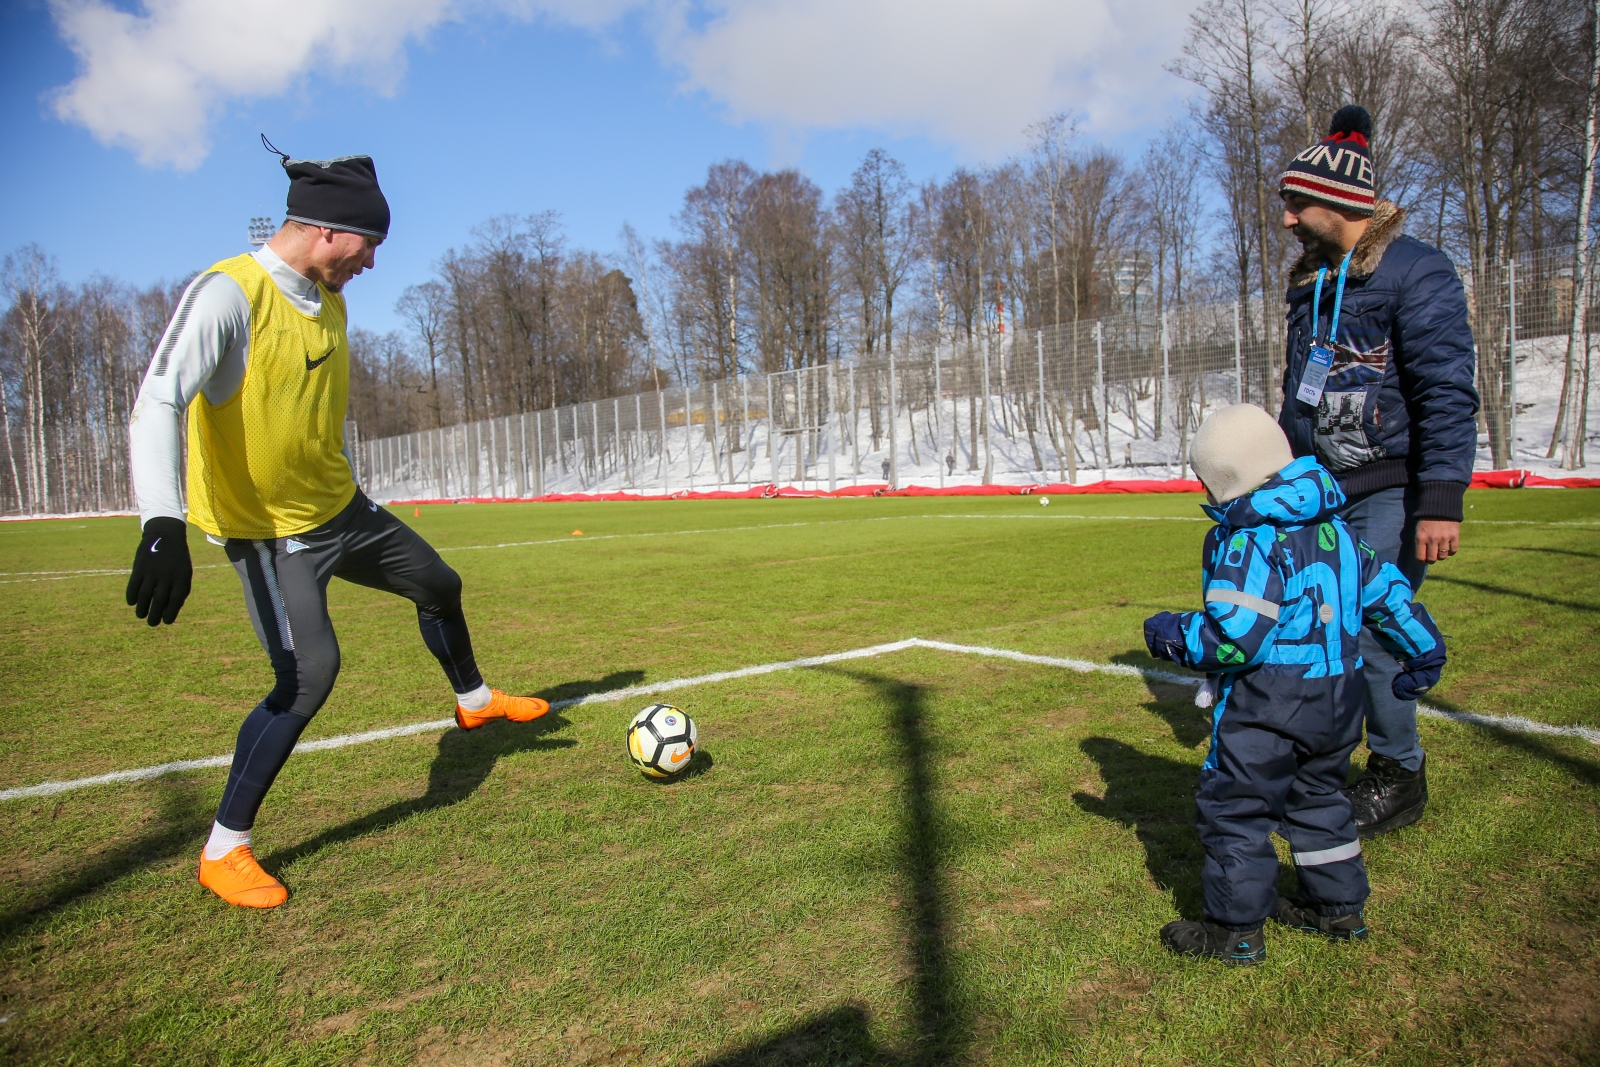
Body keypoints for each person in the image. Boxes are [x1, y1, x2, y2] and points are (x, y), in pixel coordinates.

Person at [124, 144, 549, 909]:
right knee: (308, 674)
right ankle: (224, 848)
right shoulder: (228, 294)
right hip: (270, 536)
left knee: (440, 583)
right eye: (369, 245)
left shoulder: (330, 297)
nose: (372, 263)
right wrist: (163, 523)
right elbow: (158, 400)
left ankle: (475, 699)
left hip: (344, 511)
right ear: (326, 229)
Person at [1143, 404, 1445, 964]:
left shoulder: (1251, 538)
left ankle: (1234, 931)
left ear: (1226, 476)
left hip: (1269, 702)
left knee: (1236, 809)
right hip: (1337, 698)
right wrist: (1424, 649)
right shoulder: (1338, 528)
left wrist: (1173, 634)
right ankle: (1337, 909)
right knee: (1319, 798)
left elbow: (1236, 639)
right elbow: (1388, 594)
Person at [1277, 105, 1478, 837]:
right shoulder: (1311, 283)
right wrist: (1283, 483)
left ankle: (1399, 773)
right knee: (1317, 628)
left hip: (1392, 486)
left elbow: (1444, 386)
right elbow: (1300, 397)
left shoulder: (1416, 269)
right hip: (1323, 492)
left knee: (1373, 627)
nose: (1288, 220)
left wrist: (1440, 499)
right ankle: (1322, 764)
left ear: (1339, 203)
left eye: (1297, 204)